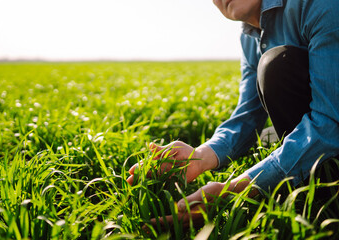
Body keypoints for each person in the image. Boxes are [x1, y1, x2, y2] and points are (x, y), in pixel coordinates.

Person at [127, 0, 339, 226]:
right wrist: (199, 158)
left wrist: (236, 189)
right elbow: (248, 115)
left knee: (277, 66)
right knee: (268, 135)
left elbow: (330, 122)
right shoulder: (249, 37)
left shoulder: (318, 5)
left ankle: (326, 186)